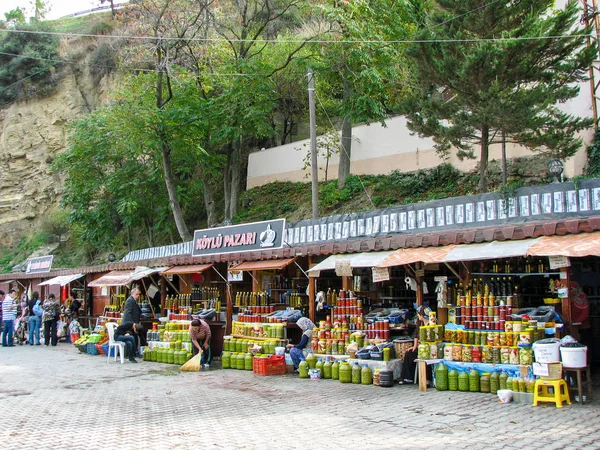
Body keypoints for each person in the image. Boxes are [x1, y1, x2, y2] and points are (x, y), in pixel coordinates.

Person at [399, 305, 432, 385]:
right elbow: (416, 336)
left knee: (425, 357)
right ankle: (407, 378)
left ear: (422, 314)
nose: (418, 316)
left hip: (430, 348)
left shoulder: (432, 324)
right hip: (421, 347)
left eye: (418, 314)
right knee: (409, 354)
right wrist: (414, 346)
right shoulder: (420, 323)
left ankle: (427, 379)